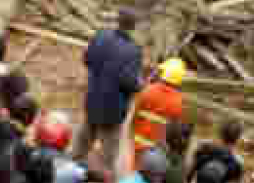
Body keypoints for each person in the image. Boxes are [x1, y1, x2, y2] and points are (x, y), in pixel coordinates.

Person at [76, 9, 143, 171]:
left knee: (82, 144)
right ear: (133, 27)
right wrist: (139, 84)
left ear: (117, 20)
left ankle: (73, 166)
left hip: (92, 100)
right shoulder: (134, 51)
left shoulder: (101, 36)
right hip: (113, 111)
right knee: (106, 157)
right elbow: (129, 82)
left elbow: (86, 59)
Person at [131, 58, 185, 166]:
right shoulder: (178, 102)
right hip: (156, 149)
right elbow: (174, 130)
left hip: (137, 143)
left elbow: (134, 115)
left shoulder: (148, 90)